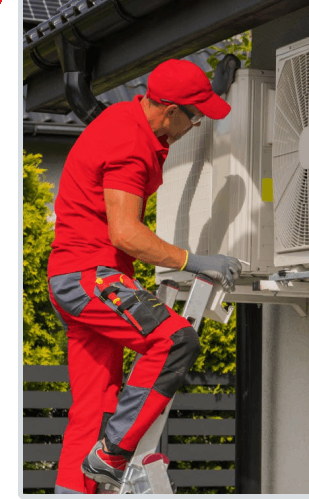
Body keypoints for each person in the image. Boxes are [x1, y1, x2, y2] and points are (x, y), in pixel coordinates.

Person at [46, 59, 243, 494]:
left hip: (73, 276)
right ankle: (111, 456)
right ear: (169, 110)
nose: (195, 125)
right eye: (193, 116)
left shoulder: (128, 120)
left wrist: (215, 94)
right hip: (89, 276)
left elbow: (181, 108)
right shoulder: (129, 144)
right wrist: (194, 261)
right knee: (175, 340)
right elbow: (126, 233)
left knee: (94, 408)